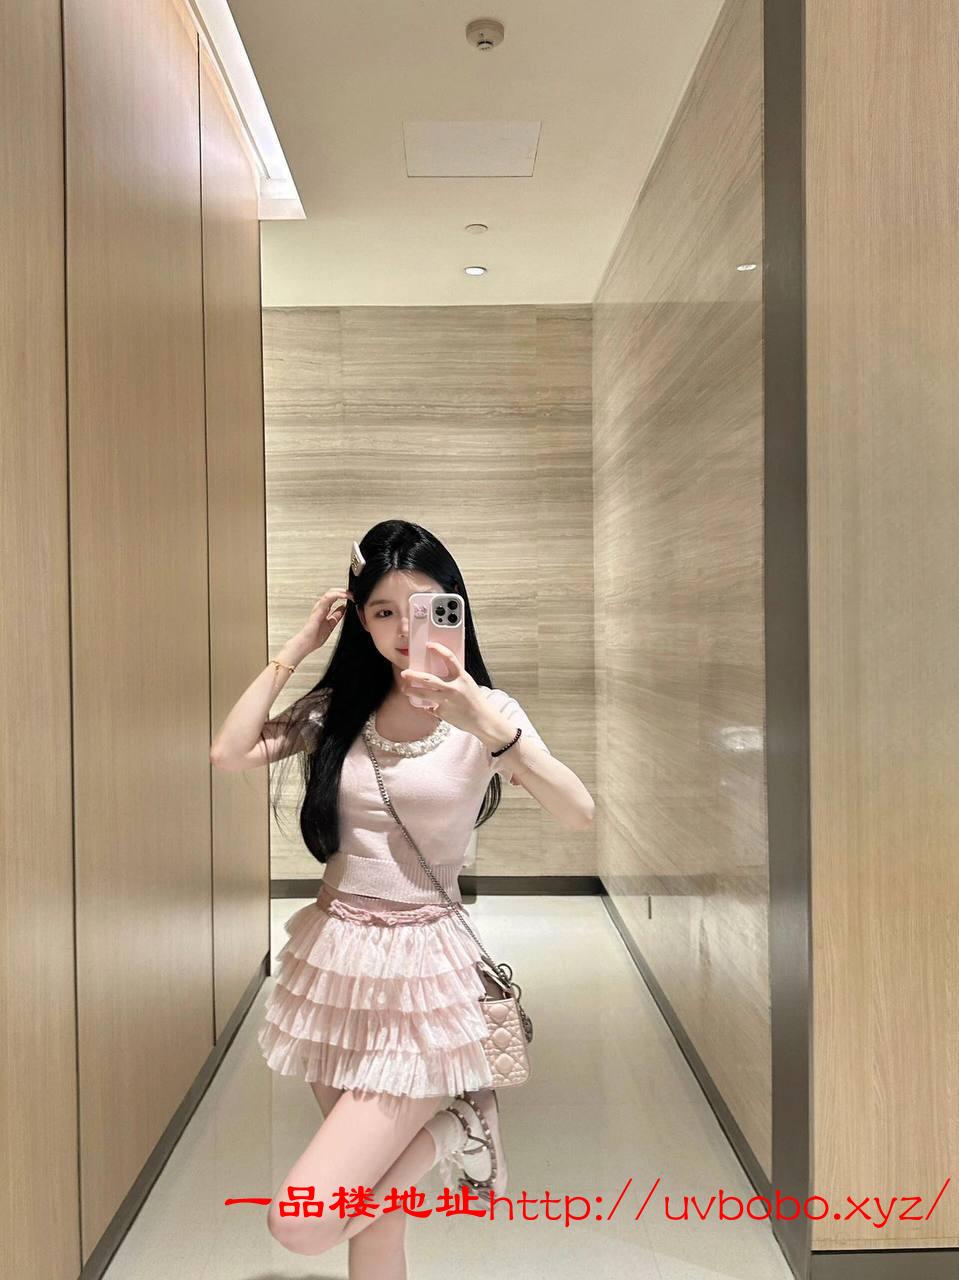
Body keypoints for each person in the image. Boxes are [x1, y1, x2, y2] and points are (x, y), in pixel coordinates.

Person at [210, 518, 595, 1275]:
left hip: (426, 974)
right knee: (375, 1220)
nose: (402, 628)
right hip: (333, 965)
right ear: (360, 619)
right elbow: (230, 752)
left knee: (304, 1223)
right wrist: (297, 648)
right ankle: (457, 1129)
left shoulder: (490, 713)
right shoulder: (342, 708)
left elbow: (578, 811)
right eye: (382, 611)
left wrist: (481, 722)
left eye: (420, 608)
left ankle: (458, 1128)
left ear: (452, 607)